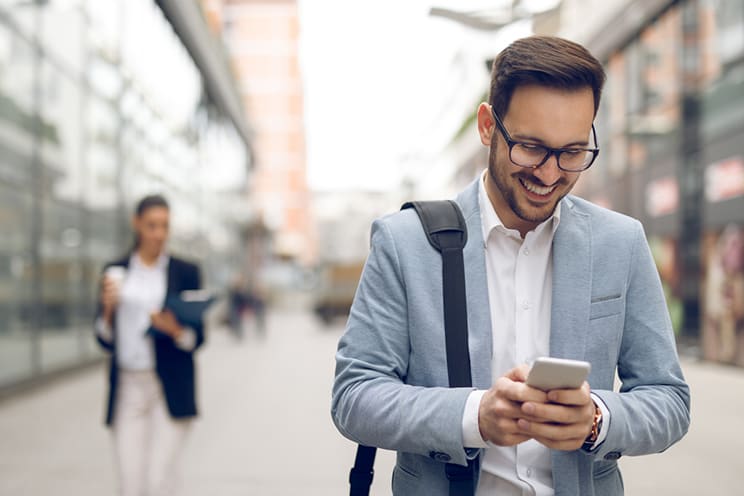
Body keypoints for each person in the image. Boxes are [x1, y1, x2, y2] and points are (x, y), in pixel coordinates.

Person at [332, 36, 690, 496]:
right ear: (487, 126)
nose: (549, 174)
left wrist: (598, 419)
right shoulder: (404, 242)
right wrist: (474, 416)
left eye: (572, 152)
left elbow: (670, 401)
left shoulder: (620, 242)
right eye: (530, 147)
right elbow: (354, 397)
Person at [95, 194, 205, 496]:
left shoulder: (186, 272)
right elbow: (104, 339)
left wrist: (175, 330)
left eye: (165, 226)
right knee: (131, 485)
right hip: (128, 389)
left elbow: (197, 339)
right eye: (151, 225)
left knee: (159, 481)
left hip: (169, 387)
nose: (159, 233)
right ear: (137, 224)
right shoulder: (115, 271)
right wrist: (107, 309)